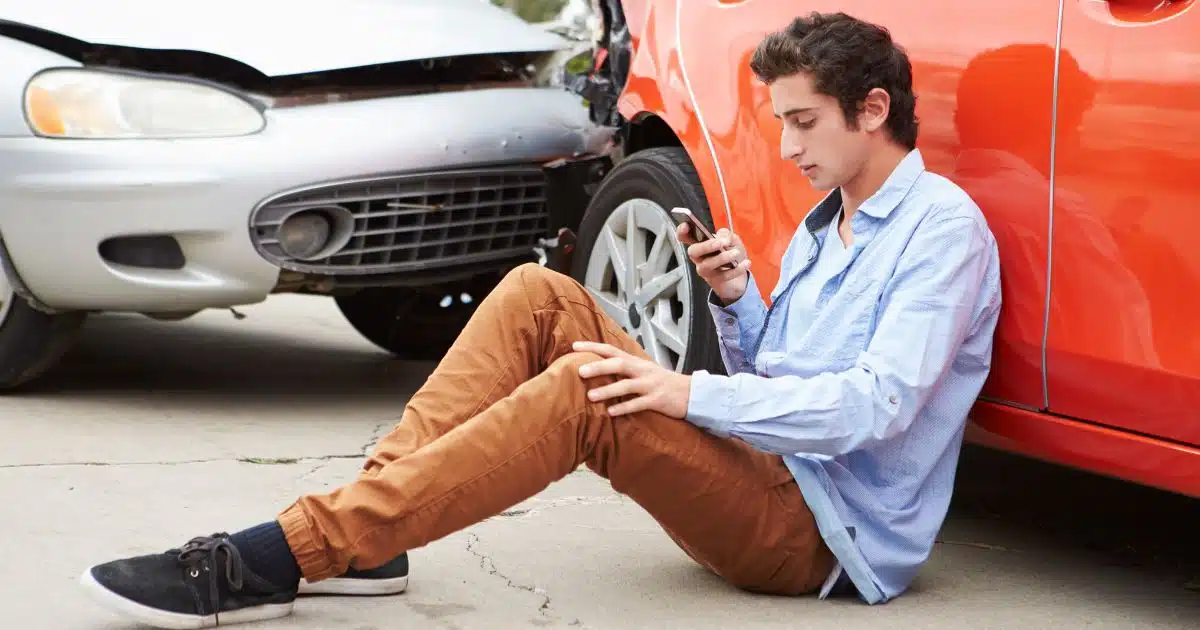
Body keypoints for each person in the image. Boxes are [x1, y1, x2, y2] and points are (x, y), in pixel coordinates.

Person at [80, 11, 1002, 628]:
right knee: (539, 296)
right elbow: (781, 380)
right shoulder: (825, 220)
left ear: (873, 109)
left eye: (803, 123)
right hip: (765, 470)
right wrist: (739, 305)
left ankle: (285, 554)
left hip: (818, 537)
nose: (789, 146)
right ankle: (370, 539)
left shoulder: (943, 234)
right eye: (781, 124)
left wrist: (682, 392)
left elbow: (871, 410)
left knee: (589, 393)